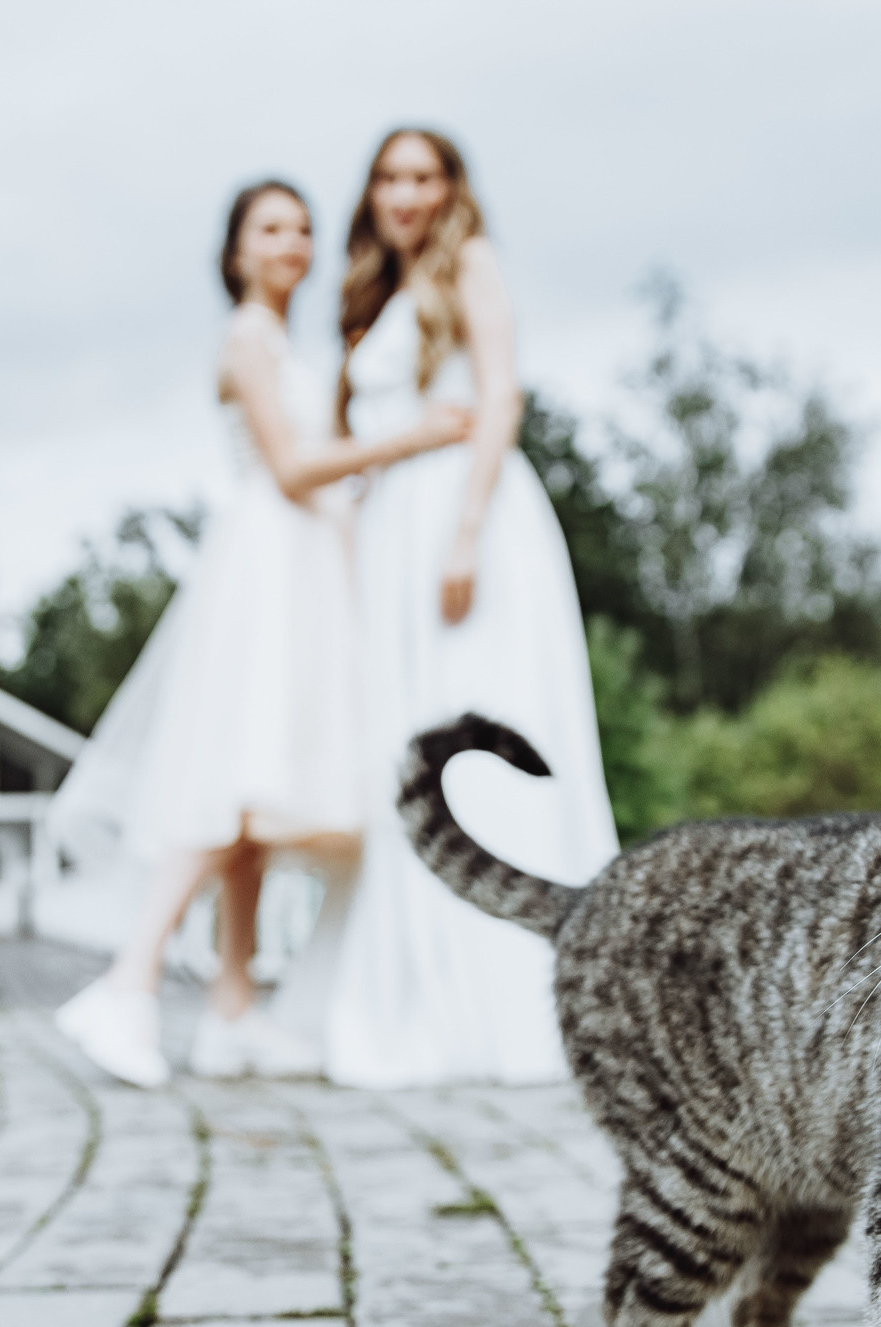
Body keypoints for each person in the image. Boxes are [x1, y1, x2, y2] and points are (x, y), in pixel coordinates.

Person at [52, 179, 471, 1088]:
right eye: (271, 228)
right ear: (236, 251)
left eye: (303, 228)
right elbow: (289, 468)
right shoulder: (247, 338)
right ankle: (128, 983)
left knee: (260, 801)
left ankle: (232, 1010)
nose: (293, 242)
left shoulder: (288, 342)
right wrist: (416, 439)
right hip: (267, 565)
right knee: (230, 786)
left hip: (310, 565)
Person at [320, 129, 618, 1087]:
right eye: (390, 177)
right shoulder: (375, 292)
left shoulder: (472, 265)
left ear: (451, 189)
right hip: (392, 529)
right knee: (400, 736)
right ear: (371, 192)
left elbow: (500, 400)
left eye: (423, 176)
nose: (405, 193)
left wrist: (466, 530)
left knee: (479, 726)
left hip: (463, 512)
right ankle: (415, 985)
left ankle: (510, 993)